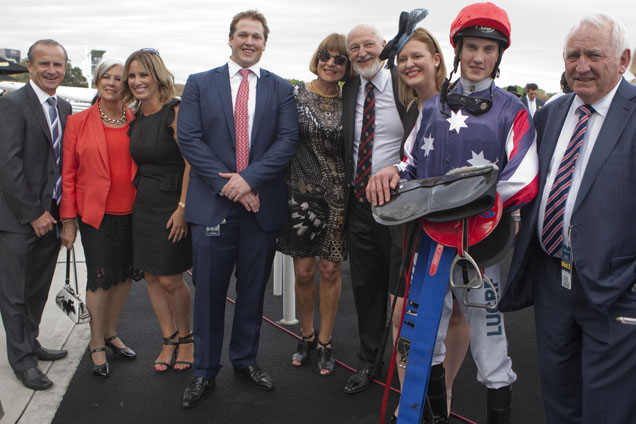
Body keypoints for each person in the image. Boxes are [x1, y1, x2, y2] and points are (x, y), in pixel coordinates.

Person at [367, 3, 539, 423]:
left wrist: (458, 203)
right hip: (428, 242)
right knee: (428, 337)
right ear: (457, 50)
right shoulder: (430, 109)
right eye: (471, 47)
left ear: (499, 56)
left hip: (481, 245)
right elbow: (410, 165)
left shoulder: (512, 110)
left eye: (489, 49)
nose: (479, 57)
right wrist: (392, 174)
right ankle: (434, 417)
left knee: (490, 345)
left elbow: (524, 178)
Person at [500, 13, 636, 423]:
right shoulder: (551, 113)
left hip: (617, 289)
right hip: (552, 282)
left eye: (594, 54)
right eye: (572, 55)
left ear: (623, 59)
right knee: (558, 400)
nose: (581, 65)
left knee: (608, 409)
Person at [177, 10, 299, 409]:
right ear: (230, 39)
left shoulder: (282, 89)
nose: (249, 41)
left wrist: (249, 180)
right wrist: (231, 185)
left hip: (260, 205)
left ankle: (245, 361)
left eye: (257, 36)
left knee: (252, 292)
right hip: (213, 204)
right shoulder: (199, 84)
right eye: (243, 34)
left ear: (265, 43)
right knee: (209, 293)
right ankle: (203, 371)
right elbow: (190, 139)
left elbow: (286, 142)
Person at [276, 33, 351, 376]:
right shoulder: (294, 96)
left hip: (338, 198)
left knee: (330, 270)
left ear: (347, 67)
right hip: (300, 196)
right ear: (317, 58)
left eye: (340, 59)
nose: (331, 63)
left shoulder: (351, 100)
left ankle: (325, 341)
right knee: (304, 272)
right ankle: (304, 335)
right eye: (326, 56)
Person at [0, 39, 72, 390]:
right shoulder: (12, 105)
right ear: (29, 66)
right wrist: (33, 213)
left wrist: (60, 214)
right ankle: (23, 362)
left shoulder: (65, 107)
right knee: (13, 295)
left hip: (54, 216)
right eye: (44, 63)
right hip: (18, 221)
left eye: (58, 64)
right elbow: (7, 165)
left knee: (37, 290)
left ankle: (31, 343)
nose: (51, 70)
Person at [59, 58, 137, 378]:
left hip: (134, 212)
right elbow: (67, 174)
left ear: (127, 85)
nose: (112, 83)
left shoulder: (137, 120)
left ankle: (111, 331)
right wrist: (67, 219)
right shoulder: (78, 122)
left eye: (119, 78)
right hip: (96, 214)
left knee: (124, 276)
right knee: (100, 277)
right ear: (97, 81)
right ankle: (95, 343)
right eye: (106, 76)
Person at [341, 23, 406, 395]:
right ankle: (368, 361)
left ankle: (407, 365)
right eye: (355, 48)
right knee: (365, 287)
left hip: (400, 205)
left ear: (384, 46)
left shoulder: (404, 82)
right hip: (360, 204)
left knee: (401, 290)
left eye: (369, 44)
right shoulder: (350, 88)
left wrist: (398, 169)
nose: (362, 52)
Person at [120, 49, 194, 373]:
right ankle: (169, 339)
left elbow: (192, 163)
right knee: (150, 276)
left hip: (172, 202)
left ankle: (188, 339)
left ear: (157, 75)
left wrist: (182, 208)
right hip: (145, 203)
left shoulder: (175, 111)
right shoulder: (135, 117)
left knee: (170, 279)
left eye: (143, 74)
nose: (137, 81)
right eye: (132, 76)